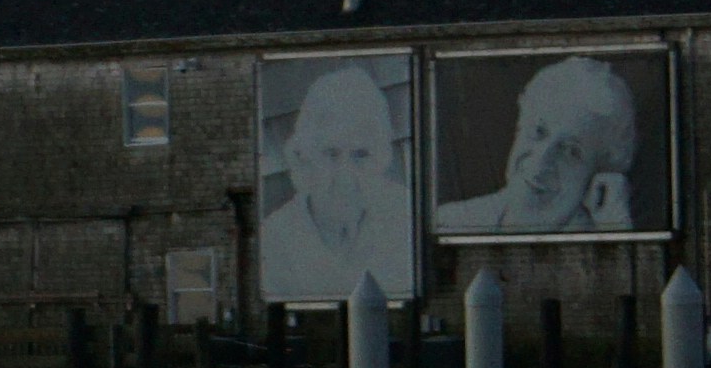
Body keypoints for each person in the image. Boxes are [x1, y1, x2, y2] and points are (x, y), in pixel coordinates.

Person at [260, 57, 414, 303]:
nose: (345, 173)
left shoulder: (406, 216)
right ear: (304, 156)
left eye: (360, 155)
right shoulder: (275, 238)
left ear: (382, 158)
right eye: (331, 154)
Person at [436, 54, 642, 238]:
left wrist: (616, 231)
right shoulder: (450, 223)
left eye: (571, 151)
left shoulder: (602, 243)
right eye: (538, 132)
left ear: (600, 174)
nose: (542, 160)